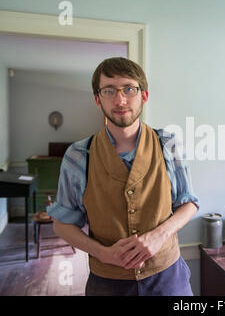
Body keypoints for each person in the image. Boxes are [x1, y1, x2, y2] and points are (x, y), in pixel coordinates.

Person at [47, 57, 199, 296]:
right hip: (107, 283)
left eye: (129, 88)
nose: (120, 100)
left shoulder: (168, 144)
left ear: (144, 96)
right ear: (98, 100)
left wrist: (159, 236)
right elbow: (63, 224)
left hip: (168, 278)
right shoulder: (77, 156)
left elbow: (188, 203)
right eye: (109, 90)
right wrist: (103, 253)